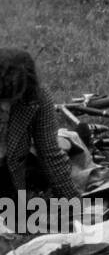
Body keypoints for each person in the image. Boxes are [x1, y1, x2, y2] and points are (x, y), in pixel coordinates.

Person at [0, 49, 80, 204]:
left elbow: (50, 154)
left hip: (11, 185)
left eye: (12, 99)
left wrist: (75, 205)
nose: (4, 108)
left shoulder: (37, 99)